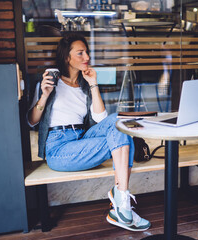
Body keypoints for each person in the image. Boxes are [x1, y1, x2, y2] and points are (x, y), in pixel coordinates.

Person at [27, 33, 150, 231]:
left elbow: (101, 119)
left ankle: (121, 199)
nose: (87, 58)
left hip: (83, 139)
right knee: (122, 136)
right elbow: (32, 121)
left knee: (120, 121)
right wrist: (44, 95)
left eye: (87, 53)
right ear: (67, 57)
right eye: (80, 53)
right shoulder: (49, 83)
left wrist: (93, 84)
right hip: (59, 149)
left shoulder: (84, 86)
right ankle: (122, 204)